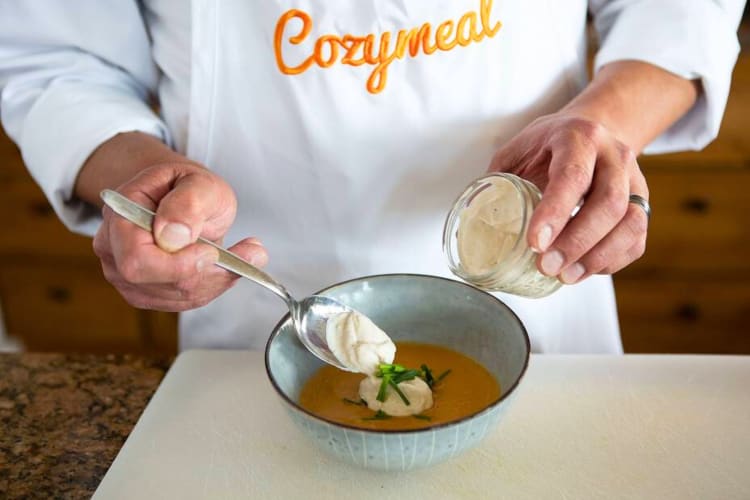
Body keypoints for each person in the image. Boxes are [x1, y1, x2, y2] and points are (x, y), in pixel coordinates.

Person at [0, 1, 744, 353]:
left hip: (538, 275)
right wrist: (141, 173)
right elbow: (57, 54)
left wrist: (607, 124)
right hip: (253, 300)